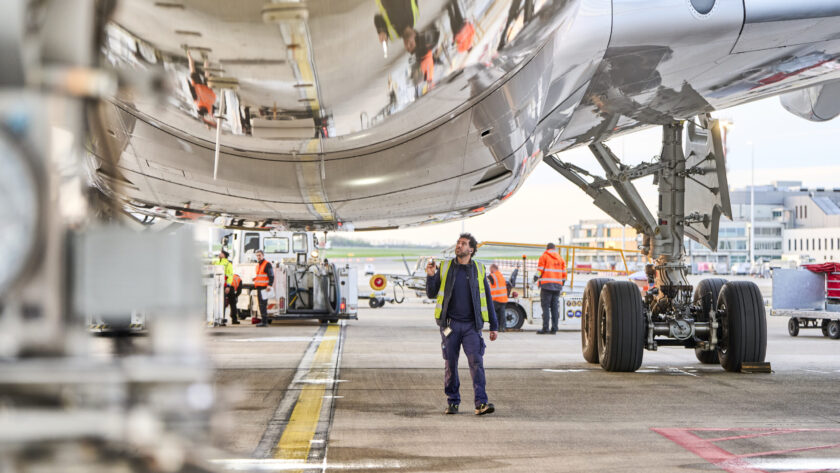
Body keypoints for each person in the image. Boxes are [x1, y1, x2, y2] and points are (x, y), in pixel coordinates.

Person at [426, 233, 498, 416]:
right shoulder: (445, 267)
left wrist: (494, 325)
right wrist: (431, 275)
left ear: (471, 249)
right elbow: (431, 293)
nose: (459, 246)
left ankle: (481, 403)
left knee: (476, 363)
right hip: (450, 325)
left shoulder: (479, 270)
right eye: (458, 243)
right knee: (450, 365)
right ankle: (453, 402)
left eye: (464, 244)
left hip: (471, 327)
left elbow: (487, 298)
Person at [534, 243, 567, 334]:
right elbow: (564, 273)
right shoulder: (560, 258)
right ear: (554, 248)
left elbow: (540, 270)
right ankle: (554, 328)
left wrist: (535, 278)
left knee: (545, 308)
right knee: (554, 308)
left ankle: (545, 328)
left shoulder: (544, 256)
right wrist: (561, 283)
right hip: (557, 286)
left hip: (546, 286)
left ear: (547, 248)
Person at [254, 249, 275, 327]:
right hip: (259, 287)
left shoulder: (267, 264)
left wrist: (269, 285)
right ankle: (263, 321)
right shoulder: (258, 265)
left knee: (263, 305)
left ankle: (264, 322)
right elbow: (261, 276)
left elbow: (271, 275)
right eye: (257, 255)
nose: (258, 257)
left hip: (264, 288)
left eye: (259, 255)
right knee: (261, 305)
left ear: (263, 255)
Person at [213, 250, 234, 325]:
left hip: (223, 286)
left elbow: (230, 276)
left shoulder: (228, 264)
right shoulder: (217, 262)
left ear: (224, 255)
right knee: (215, 302)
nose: (219, 254)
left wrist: (228, 286)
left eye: (221, 253)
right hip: (215, 285)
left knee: (222, 303)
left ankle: (221, 318)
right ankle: (215, 318)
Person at [488, 263, 508, 332]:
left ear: (493, 268)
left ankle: (495, 327)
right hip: (503, 298)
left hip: (496, 298)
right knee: (502, 314)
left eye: (490, 269)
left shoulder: (492, 275)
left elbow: (487, 279)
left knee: (493, 313)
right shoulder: (501, 275)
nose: (489, 270)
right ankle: (502, 327)